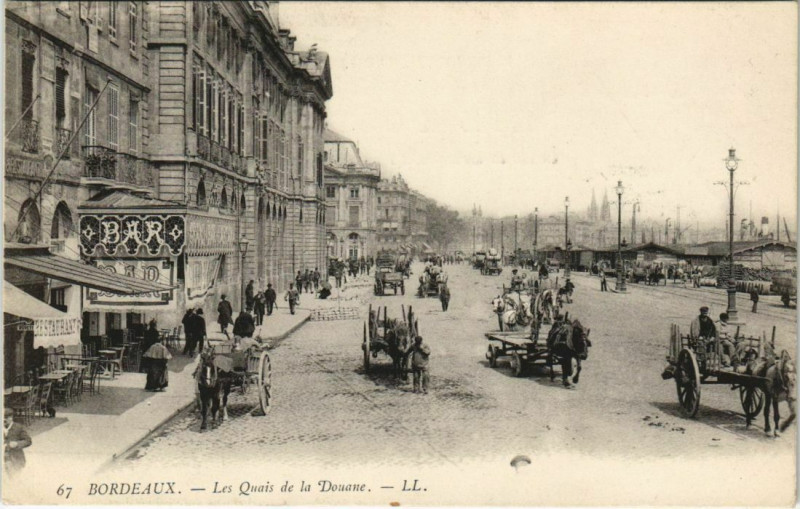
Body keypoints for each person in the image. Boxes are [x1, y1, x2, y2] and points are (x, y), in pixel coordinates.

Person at [4, 408, 31, 477]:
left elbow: (28, 441)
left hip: (15, 458)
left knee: (14, 479)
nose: (4, 420)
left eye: (6, 418)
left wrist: (17, 444)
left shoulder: (18, 427)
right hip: (3, 458)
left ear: (11, 418)